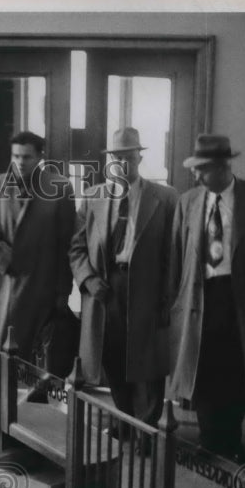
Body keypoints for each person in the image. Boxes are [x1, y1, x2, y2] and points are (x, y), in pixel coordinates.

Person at [169, 134, 245, 462]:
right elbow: (176, 254)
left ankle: (231, 442)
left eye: (203, 169)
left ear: (223, 167)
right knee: (204, 371)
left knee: (235, 371)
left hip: (243, 299)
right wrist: (175, 301)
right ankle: (210, 443)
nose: (196, 175)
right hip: (200, 298)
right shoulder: (188, 202)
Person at [68, 128, 177, 427]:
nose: (122, 163)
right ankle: (125, 419)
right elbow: (76, 247)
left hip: (148, 289)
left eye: (128, 156)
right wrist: (88, 281)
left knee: (148, 361)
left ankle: (147, 426)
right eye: (116, 157)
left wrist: (167, 297)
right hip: (106, 287)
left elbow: (174, 253)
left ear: (139, 158)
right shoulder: (93, 197)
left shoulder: (165, 198)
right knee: (112, 355)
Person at [0, 130, 75, 361]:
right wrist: (7, 260)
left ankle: (34, 394)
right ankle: (2, 393)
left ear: (40, 156)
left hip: (41, 284)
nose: (20, 162)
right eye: (16, 156)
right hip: (5, 281)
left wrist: (63, 291)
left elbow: (66, 244)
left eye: (27, 157)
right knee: (2, 347)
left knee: (37, 351)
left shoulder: (59, 188)